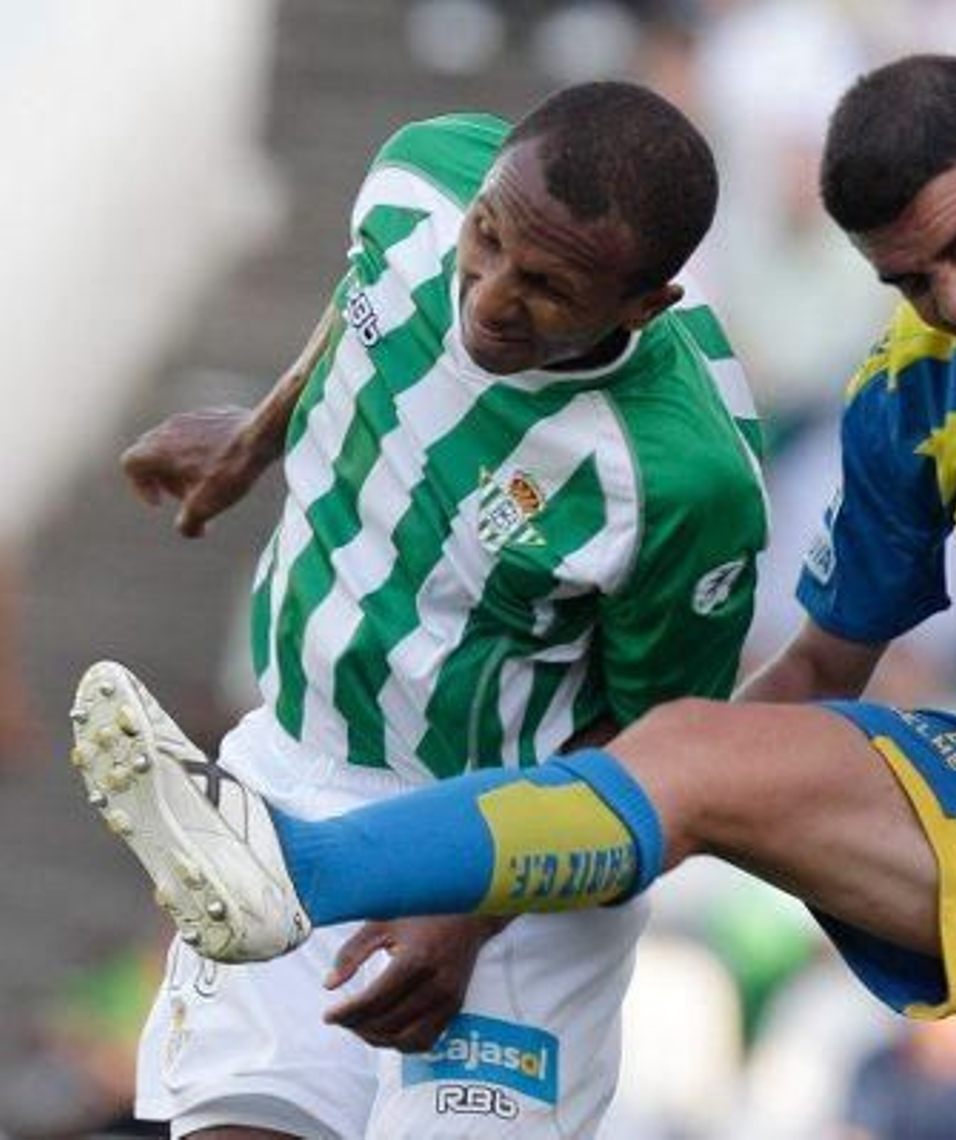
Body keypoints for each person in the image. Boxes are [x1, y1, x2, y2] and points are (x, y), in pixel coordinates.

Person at [74, 55, 956, 1138]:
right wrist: (620, 806)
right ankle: (290, 871)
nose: (955, 302)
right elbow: (827, 663)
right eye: (912, 280)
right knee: (698, 748)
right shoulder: (913, 388)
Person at [77, 82, 766, 1139]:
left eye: (546, 287)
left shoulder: (682, 480)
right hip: (289, 784)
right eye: (486, 240)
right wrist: (262, 434)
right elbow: (364, 301)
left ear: (644, 308)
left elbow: (660, 750)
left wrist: (469, 901)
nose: (488, 297)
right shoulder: (418, 174)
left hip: (517, 845)